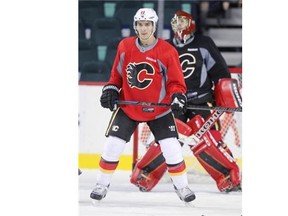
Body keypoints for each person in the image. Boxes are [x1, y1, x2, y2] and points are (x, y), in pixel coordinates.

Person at [90, 8, 196, 203]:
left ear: (154, 26)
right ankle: (101, 184)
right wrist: (111, 89)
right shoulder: (125, 46)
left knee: (172, 147)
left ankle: (182, 186)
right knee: (113, 144)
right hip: (129, 107)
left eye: (147, 24)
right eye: (140, 24)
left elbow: (176, 83)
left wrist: (178, 96)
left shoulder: (167, 51)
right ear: (135, 26)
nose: (143, 28)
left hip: (159, 110)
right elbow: (116, 76)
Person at [130, 10, 241, 193]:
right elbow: (155, 76)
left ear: (190, 23)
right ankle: (146, 173)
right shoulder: (164, 46)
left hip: (202, 102)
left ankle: (229, 177)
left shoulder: (204, 44)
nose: (179, 26)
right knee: (167, 139)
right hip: (174, 103)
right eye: (176, 22)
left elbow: (220, 73)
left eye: (182, 22)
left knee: (208, 140)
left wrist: (225, 95)